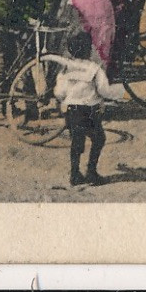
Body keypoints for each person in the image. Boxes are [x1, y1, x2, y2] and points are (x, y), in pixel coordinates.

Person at [43, 32, 122, 186]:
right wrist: (116, 93)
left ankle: (74, 174)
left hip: (72, 111)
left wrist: (65, 99)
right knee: (98, 139)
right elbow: (104, 90)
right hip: (90, 111)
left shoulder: (66, 69)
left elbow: (59, 92)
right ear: (89, 50)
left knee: (76, 142)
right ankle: (91, 171)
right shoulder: (94, 69)